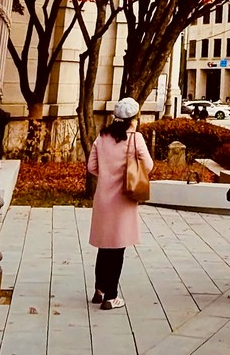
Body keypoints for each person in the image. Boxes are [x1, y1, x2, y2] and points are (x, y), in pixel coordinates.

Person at [86, 97, 154, 310]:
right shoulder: (135, 138)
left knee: (104, 245)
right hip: (123, 198)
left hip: (103, 198)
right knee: (118, 248)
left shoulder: (102, 137)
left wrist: (107, 175)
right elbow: (148, 165)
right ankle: (111, 296)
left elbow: (91, 167)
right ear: (133, 118)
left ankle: (99, 290)